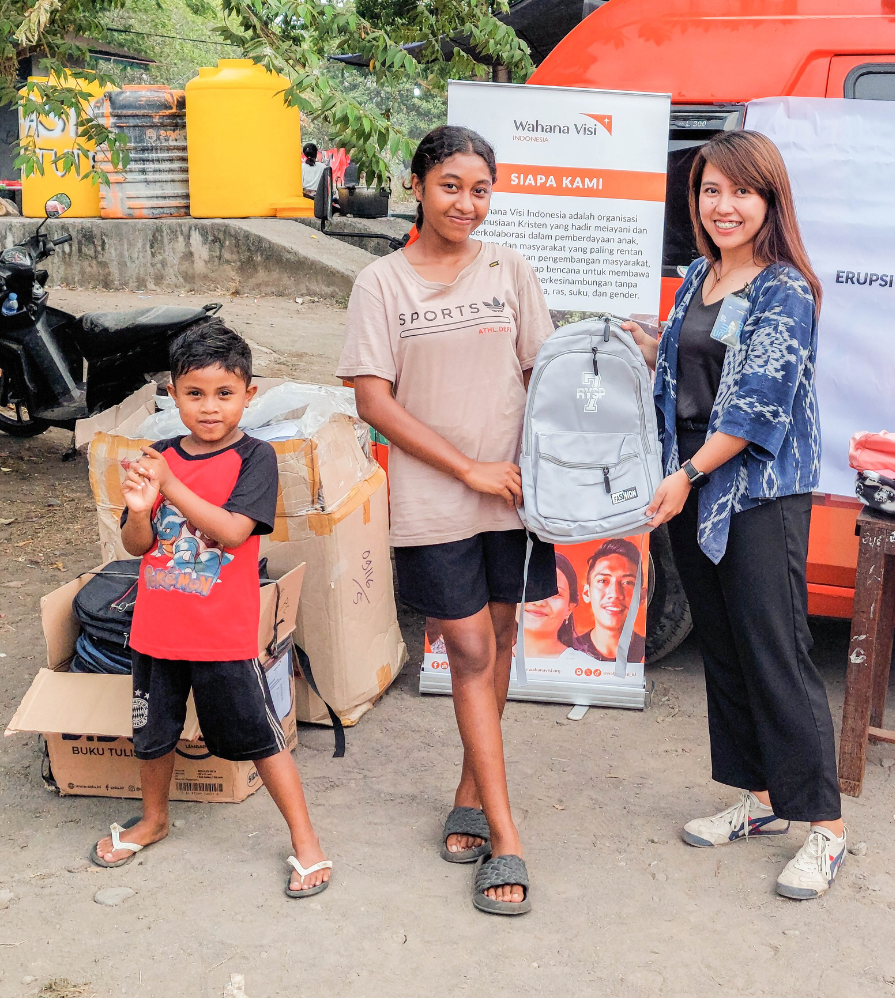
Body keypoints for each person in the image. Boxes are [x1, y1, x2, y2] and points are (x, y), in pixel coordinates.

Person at [623, 129, 846, 902]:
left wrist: (686, 474)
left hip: (752, 493)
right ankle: (757, 800)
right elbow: (698, 366)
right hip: (687, 482)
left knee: (775, 649)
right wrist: (652, 345)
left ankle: (825, 827)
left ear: (769, 200)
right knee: (722, 644)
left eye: (740, 192)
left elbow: (759, 403)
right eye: (710, 190)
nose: (723, 206)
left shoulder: (784, 288)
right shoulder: (699, 276)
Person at [337, 125, 553, 916]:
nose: (467, 202)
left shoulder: (510, 270)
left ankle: (468, 790)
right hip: (436, 494)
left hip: (515, 490)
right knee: (465, 647)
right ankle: (507, 833)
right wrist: (467, 468)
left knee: (497, 641)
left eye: (481, 188)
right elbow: (374, 400)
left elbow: (541, 370)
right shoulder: (382, 283)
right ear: (419, 188)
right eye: (451, 185)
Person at [91, 322, 331, 899]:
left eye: (225, 393)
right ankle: (153, 819)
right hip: (155, 629)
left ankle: (307, 843)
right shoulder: (159, 457)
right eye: (194, 393)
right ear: (171, 393)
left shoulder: (256, 459)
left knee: (260, 737)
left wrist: (167, 484)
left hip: (221, 635)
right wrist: (143, 507)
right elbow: (137, 546)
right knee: (152, 734)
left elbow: (229, 532)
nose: (209, 407)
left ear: (249, 395)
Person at [568, 538, 646, 665]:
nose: (615, 594)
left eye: (627, 582)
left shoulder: (646, 651)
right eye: (603, 581)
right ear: (587, 593)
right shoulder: (568, 651)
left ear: (642, 596)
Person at [521, 553, 579, 658]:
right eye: (529, 588)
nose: (539, 602)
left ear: (569, 609)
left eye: (555, 593)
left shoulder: (585, 666)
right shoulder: (491, 659)